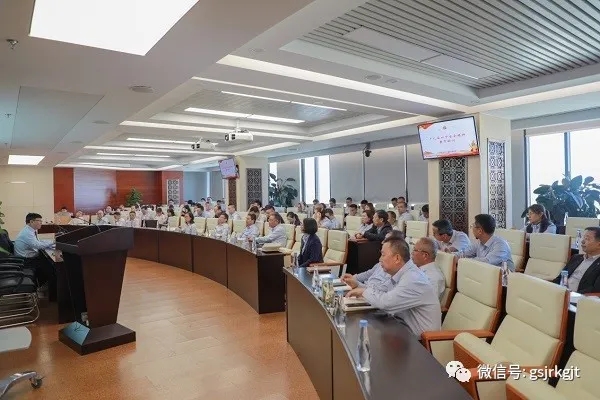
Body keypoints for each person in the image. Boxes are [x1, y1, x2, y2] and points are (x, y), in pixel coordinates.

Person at [346, 238, 441, 337]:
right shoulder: (402, 273)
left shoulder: (413, 279)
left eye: (383, 255)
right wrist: (358, 285)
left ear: (397, 258)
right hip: (401, 328)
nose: (380, 259)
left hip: (420, 341)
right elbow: (381, 290)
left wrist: (362, 292)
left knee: (364, 333)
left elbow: (386, 303)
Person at [14, 213, 56, 289]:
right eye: (39, 221)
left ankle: (43, 286)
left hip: (28, 258)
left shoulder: (30, 230)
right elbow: (38, 245)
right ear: (31, 221)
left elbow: (38, 242)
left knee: (49, 262)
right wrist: (53, 242)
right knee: (52, 268)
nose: (41, 223)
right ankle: (43, 288)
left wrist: (51, 243)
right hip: (26, 261)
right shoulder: (27, 233)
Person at [552, 226, 600, 293]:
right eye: (583, 238)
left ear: (599, 245)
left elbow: (595, 291)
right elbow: (560, 278)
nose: (582, 241)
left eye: (587, 239)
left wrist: (571, 295)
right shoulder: (576, 257)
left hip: (579, 297)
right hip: (560, 292)